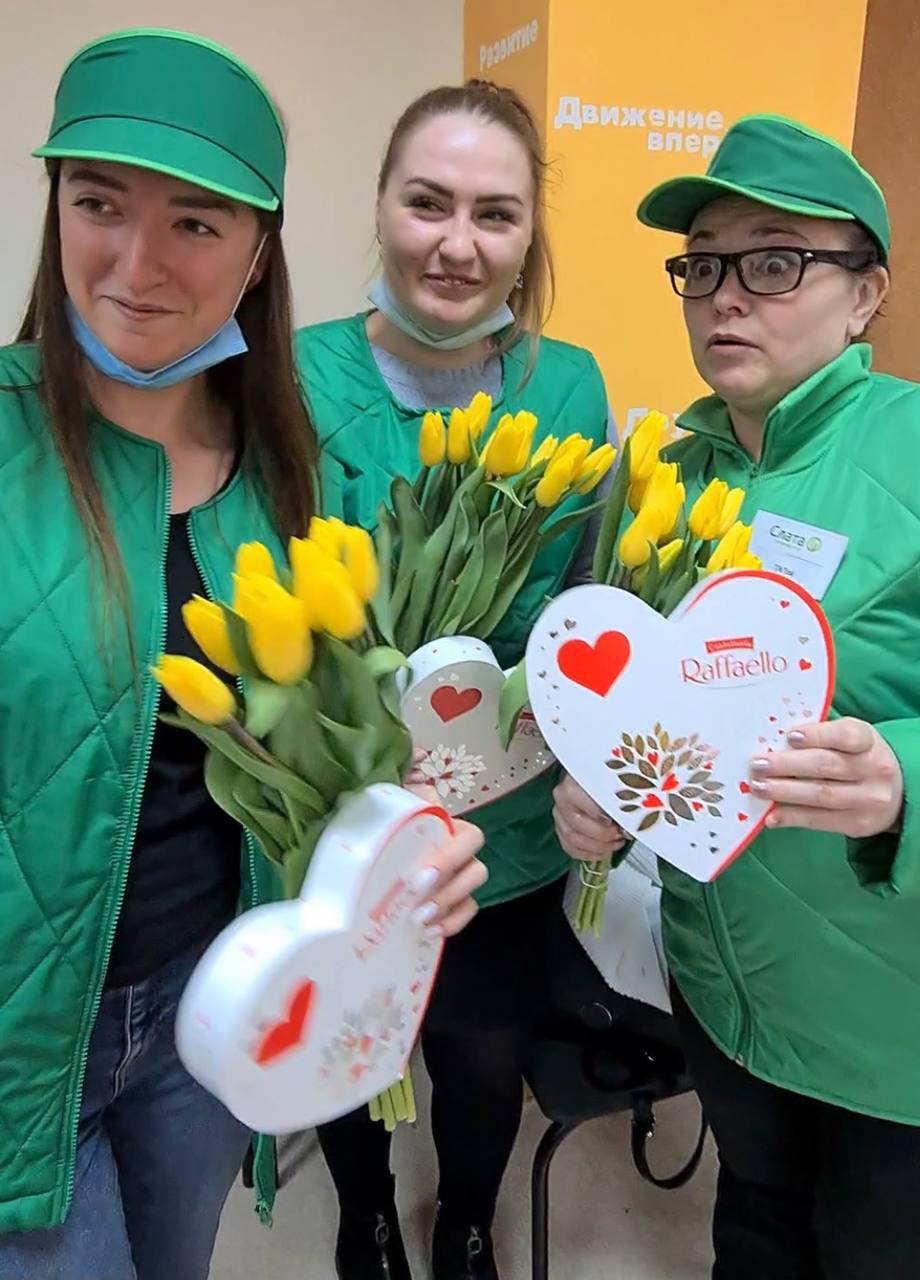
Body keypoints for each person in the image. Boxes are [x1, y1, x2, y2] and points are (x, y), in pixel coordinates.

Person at [0, 29, 486, 1280]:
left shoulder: (287, 478)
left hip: (213, 1008)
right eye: (98, 203)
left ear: (259, 250)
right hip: (21, 1036)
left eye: (196, 223)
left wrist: (400, 865)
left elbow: (317, 757)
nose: (137, 262)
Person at [555, 113, 920, 1279]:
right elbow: (643, 710)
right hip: (720, 985)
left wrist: (902, 775)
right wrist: (602, 791)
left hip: (886, 1022)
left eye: (771, 262)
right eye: (701, 263)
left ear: (864, 295)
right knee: (753, 1229)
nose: (722, 296)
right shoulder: (661, 473)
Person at [295, 80, 623, 1279]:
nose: (456, 242)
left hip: (505, 824)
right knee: (352, 1042)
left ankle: (468, 1218)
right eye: (426, 202)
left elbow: (585, 596)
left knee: (482, 1052)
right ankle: (367, 1213)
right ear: (379, 205)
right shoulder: (295, 375)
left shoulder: (568, 384)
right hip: (343, 815)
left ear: (527, 235)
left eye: (494, 213)